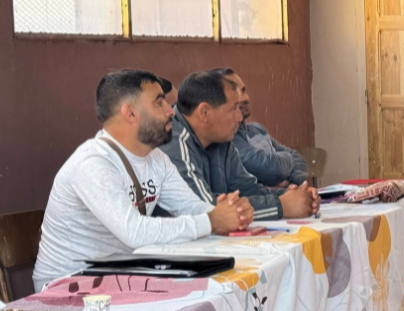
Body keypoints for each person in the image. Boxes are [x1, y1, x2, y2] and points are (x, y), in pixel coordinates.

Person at [33, 69, 253, 292]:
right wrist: (212, 221)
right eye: (159, 103)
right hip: (67, 286)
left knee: (217, 290)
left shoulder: (157, 159)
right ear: (130, 113)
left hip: (119, 277)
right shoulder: (92, 162)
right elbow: (135, 232)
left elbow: (190, 207)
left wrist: (230, 214)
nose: (171, 111)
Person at [160, 70, 320, 220]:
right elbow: (204, 209)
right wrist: (281, 206)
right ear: (204, 113)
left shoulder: (220, 138)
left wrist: (293, 197)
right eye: (233, 109)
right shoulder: (173, 142)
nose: (239, 117)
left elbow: (247, 189)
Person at [210, 68, 310, 188]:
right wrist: (289, 159)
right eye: (236, 93)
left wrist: (288, 183)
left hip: (281, 195)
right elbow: (273, 169)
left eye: (244, 90)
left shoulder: (257, 129)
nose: (245, 98)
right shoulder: (227, 138)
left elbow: (299, 160)